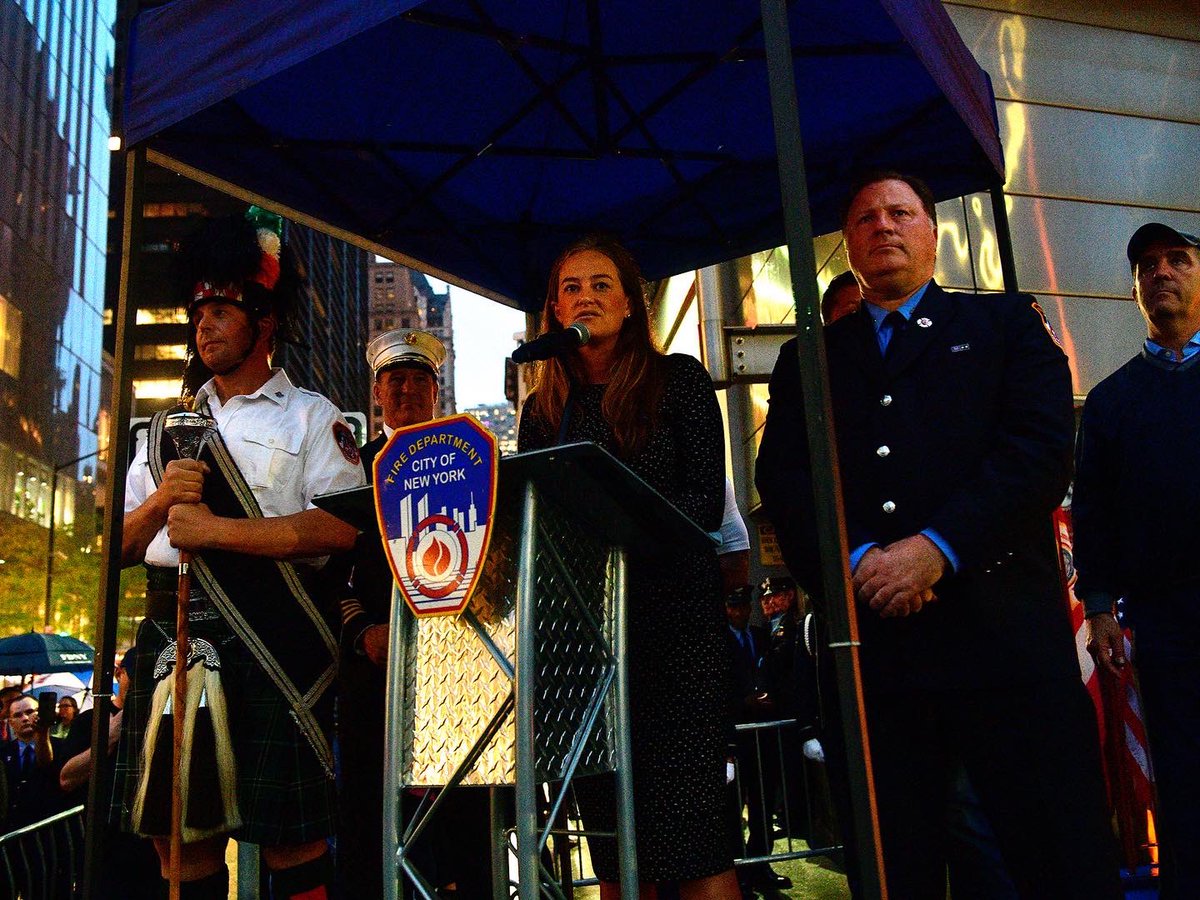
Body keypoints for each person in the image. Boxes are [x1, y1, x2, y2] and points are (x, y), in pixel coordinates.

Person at [755, 170, 1120, 898]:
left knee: (1055, 857)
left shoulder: (1006, 326)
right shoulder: (812, 358)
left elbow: (1040, 450)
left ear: (933, 230)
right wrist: (861, 561)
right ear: (849, 245)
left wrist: (936, 550)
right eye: (864, 218)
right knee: (898, 866)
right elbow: (789, 482)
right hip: (881, 663)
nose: (883, 226)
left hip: (1006, 649)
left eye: (900, 212)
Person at [112, 213, 364, 900]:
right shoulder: (163, 430)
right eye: (200, 312)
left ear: (264, 321)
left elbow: (341, 531)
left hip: (276, 645)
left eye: (222, 310)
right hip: (173, 641)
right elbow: (120, 550)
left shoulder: (313, 417)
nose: (205, 326)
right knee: (182, 847)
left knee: (294, 841)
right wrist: (163, 500)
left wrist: (215, 530)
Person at [518, 235, 738, 898]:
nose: (586, 296)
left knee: (696, 846)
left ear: (630, 305)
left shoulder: (680, 382)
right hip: (591, 654)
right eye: (572, 287)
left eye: (601, 284)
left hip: (677, 644)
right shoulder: (544, 410)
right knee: (616, 852)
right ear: (555, 311)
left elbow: (703, 495)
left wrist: (623, 525)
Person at [334, 327, 488, 898]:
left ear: (435, 390)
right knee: (376, 826)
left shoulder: (472, 461)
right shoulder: (353, 470)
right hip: (377, 671)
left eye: (418, 379)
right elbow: (329, 570)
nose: (405, 390)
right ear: (376, 393)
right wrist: (362, 633)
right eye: (393, 379)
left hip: (459, 673)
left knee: (464, 827)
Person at [1073, 223, 1200, 900]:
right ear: (1133, 290)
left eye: (1177, 259)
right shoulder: (1112, 401)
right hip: (1164, 617)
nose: (1161, 272)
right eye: (1146, 265)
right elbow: (1092, 513)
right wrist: (1098, 608)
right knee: (1182, 771)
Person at [60, 652, 161, 900]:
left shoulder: (160, 721)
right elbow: (66, 778)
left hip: (149, 844)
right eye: (135, 675)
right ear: (119, 674)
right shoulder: (90, 720)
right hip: (100, 843)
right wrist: (111, 735)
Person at [723, 586, 790, 895]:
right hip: (736, 736)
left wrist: (769, 696)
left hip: (763, 734)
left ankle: (760, 863)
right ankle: (737, 870)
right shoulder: (717, 643)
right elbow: (717, 690)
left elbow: (773, 673)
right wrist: (744, 700)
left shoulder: (760, 637)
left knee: (762, 803)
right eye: (735, 606)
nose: (741, 611)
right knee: (733, 807)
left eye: (744, 605)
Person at [2, 694, 65, 829]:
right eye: (18, 715)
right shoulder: (3, 753)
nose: (25, 718)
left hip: (50, 826)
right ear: (11, 722)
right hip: (13, 830)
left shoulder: (60, 747)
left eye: (30, 712)